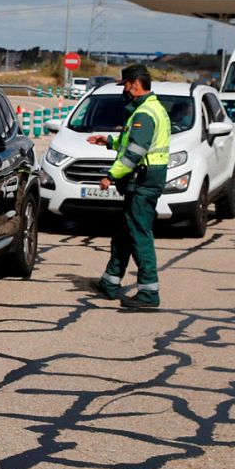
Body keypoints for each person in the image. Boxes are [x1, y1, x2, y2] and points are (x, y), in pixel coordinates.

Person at [87, 64, 169, 309]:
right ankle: (110, 282)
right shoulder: (151, 108)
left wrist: (110, 176)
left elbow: (135, 152)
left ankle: (148, 293)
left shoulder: (145, 113)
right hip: (145, 177)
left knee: (139, 235)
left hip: (142, 180)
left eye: (125, 85)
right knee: (125, 231)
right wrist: (109, 141)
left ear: (135, 83)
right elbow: (131, 143)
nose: (124, 90)